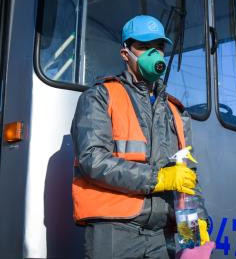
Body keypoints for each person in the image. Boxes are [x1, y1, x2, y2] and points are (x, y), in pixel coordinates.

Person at [71, 15, 212, 259]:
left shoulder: (176, 112)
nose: (154, 54)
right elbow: (91, 160)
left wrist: (195, 232)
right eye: (144, 47)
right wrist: (158, 178)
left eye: (158, 47)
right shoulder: (100, 96)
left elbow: (187, 179)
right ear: (125, 53)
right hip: (114, 231)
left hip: (159, 236)